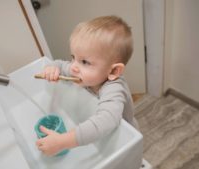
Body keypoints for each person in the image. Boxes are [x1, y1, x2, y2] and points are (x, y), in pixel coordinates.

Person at [36, 15, 139, 156]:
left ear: (114, 71)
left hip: (124, 139)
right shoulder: (80, 72)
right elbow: (60, 64)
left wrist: (62, 141)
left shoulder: (114, 88)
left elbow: (107, 120)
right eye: (73, 57)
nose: (73, 67)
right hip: (99, 133)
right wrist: (52, 68)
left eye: (84, 62)